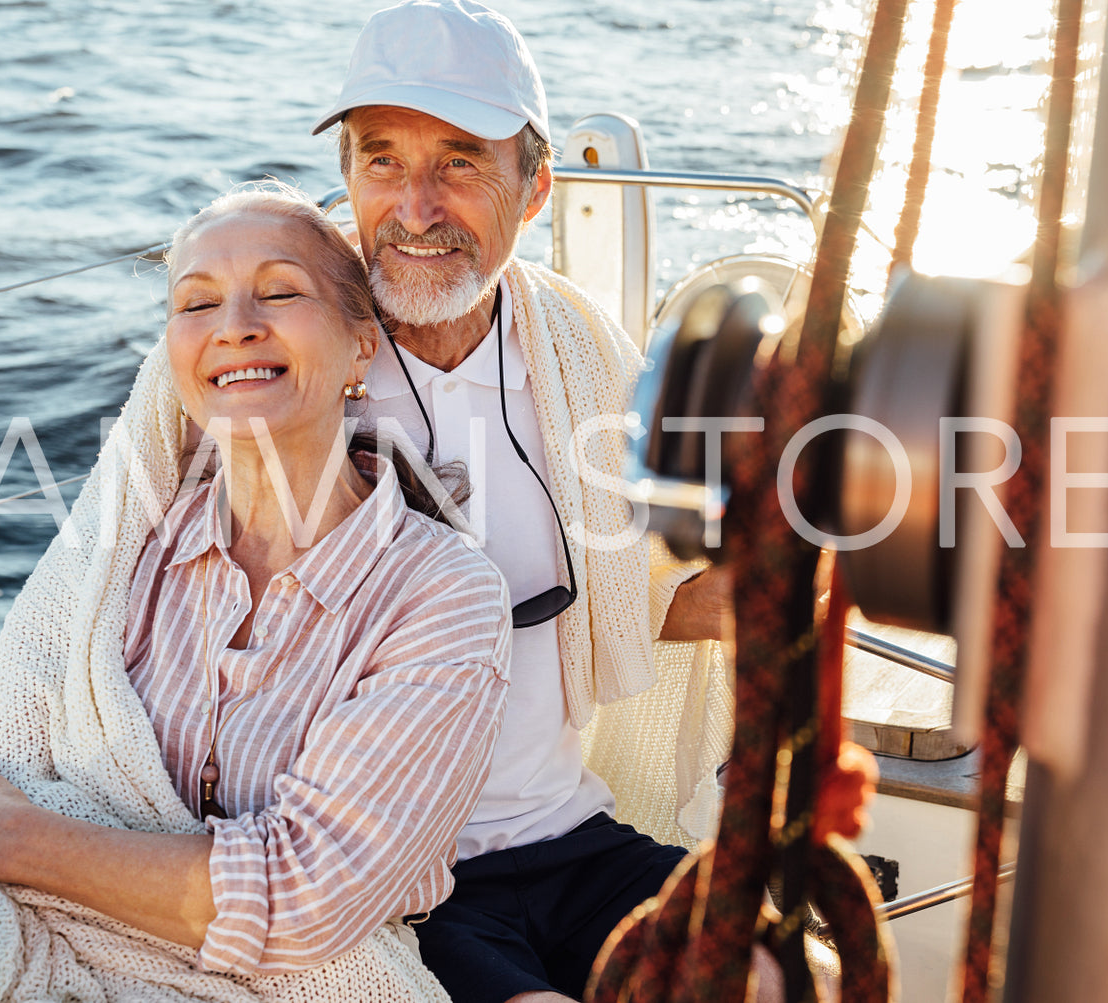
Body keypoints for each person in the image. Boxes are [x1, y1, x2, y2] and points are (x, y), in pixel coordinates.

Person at [0, 182, 513, 1003]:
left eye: (280, 291)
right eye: (196, 302)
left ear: (363, 344)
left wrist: (22, 839)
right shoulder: (125, 541)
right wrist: (10, 842)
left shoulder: (441, 593)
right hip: (25, 928)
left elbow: (307, 897)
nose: (234, 324)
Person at [312, 3, 879, 1001]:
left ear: (534, 192)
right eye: (381, 162)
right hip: (398, 879)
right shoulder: (288, 347)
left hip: (568, 835)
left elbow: (629, 595)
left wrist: (809, 560)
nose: (412, 208)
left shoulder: (571, 349)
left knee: (795, 978)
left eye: (456, 163)